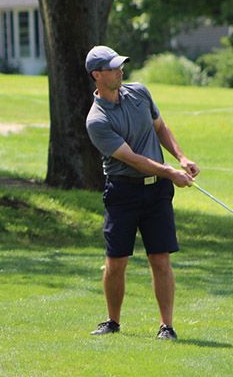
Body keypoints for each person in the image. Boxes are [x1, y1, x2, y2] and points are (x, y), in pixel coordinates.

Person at [84, 45, 200, 340]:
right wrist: (170, 173)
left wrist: (181, 158)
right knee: (116, 261)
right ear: (97, 75)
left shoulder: (140, 93)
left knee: (160, 259)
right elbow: (133, 158)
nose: (119, 71)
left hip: (157, 192)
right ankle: (112, 321)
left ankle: (167, 326)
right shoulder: (97, 120)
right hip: (123, 192)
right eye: (112, 68)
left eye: (119, 66)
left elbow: (160, 128)